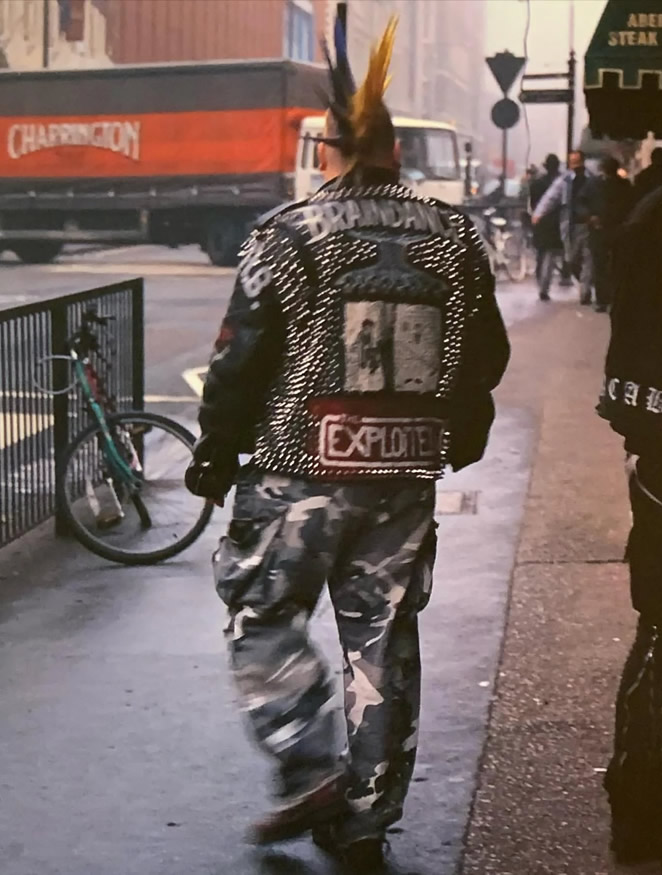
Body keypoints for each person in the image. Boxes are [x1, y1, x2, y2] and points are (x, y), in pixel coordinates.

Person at [184, 15, 510, 874]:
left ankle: (308, 761)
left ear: (331, 151)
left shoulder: (287, 234)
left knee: (262, 614)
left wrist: (215, 453)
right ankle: (366, 817)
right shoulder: (456, 238)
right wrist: (456, 431)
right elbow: (487, 356)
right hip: (403, 473)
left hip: (298, 471)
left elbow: (240, 359)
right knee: (383, 638)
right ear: (396, 152)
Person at [597, 178, 662, 873]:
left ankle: (642, 811)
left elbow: (627, 345)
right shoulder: (660, 217)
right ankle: (643, 806)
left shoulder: (658, 213)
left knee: (661, 625)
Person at [532, 149, 594, 304]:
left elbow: (550, 198)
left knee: (587, 258)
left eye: (576, 162)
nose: (575, 165)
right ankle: (583, 288)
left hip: (587, 224)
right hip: (570, 224)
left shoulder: (591, 179)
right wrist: (539, 213)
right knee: (572, 259)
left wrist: (538, 214)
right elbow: (551, 197)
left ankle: (585, 292)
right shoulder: (565, 180)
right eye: (572, 162)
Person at [581, 156, 633, 313]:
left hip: (609, 229)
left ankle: (605, 300)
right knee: (606, 265)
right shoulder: (622, 185)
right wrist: (590, 217)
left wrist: (590, 217)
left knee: (603, 266)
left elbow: (581, 203)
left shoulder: (595, 184)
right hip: (608, 229)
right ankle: (607, 299)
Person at [529, 154, 563, 301]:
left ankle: (541, 282)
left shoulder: (536, 183)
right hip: (556, 223)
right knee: (551, 255)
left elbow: (533, 204)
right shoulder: (562, 183)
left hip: (540, 222)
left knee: (541, 253)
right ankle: (544, 285)